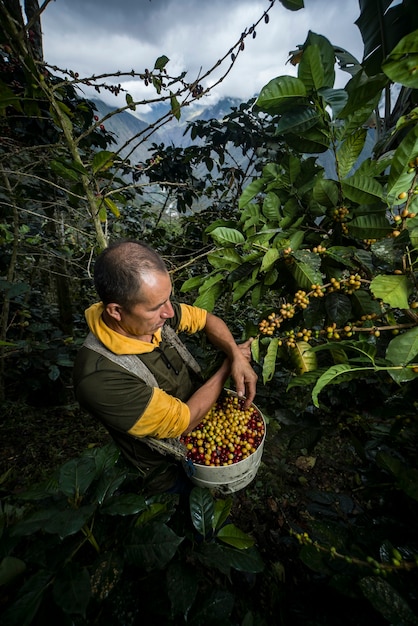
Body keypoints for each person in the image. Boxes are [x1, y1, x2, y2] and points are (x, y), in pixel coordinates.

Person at [73, 239, 258, 494]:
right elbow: (183, 423)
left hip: (202, 421)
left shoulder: (148, 316)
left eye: (168, 300)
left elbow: (207, 320)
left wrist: (235, 354)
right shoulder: (100, 377)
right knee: (186, 517)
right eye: (157, 307)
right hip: (165, 471)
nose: (170, 312)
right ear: (116, 311)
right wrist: (227, 366)